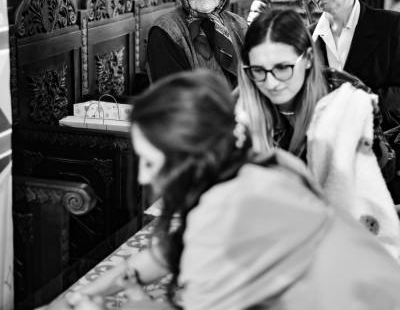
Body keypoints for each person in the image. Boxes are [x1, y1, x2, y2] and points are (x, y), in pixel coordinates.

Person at [47, 70, 400, 310]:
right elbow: (172, 250)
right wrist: (81, 294)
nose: (143, 178)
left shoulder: (226, 209)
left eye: (152, 163)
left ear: (192, 158)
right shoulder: (266, 163)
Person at [237, 9, 399, 253]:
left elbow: (381, 171)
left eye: (283, 68)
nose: (270, 82)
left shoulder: (344, 94)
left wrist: (359, 144)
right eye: (258, 70)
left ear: (309, 59)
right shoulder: (242, 104)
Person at [301, 0, 400, 199]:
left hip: (382, 159)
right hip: (326, 165)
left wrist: (359, 108)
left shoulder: (391, 26)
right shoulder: (307, 39)